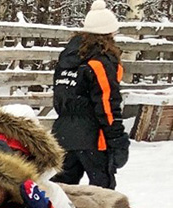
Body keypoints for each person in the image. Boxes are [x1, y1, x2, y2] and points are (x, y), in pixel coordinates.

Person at [50, 0, 130, 189]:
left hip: (63, 134)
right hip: (93, 138)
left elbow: (61, 96)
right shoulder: (100, 62)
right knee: (103, 190)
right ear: (109, 34)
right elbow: (107, 104)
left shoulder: (67, 59)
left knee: (62, 188)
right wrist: (117, 138)